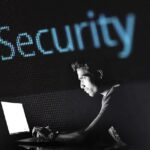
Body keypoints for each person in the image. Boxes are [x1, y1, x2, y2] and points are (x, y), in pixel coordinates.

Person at [32, 62, 137, 149]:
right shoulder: (109, 95)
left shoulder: (115, 96)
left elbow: (86, 135)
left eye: (83, 79)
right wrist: (56, 133)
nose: (81, 86)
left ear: (99, 74)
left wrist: (51, 136)